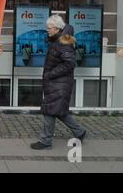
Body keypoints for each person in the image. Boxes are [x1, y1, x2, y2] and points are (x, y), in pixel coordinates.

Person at [30, 15, 86, 150]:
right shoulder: (57, 40)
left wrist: (51, 74)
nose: (47, 30)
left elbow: (70, 63)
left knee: (49, 110)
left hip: (59, 83)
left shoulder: (63, 43)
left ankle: (46, 141)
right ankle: (79, 131)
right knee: (59, 111)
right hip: (57, 83)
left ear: (56, 29)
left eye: (49, 28)